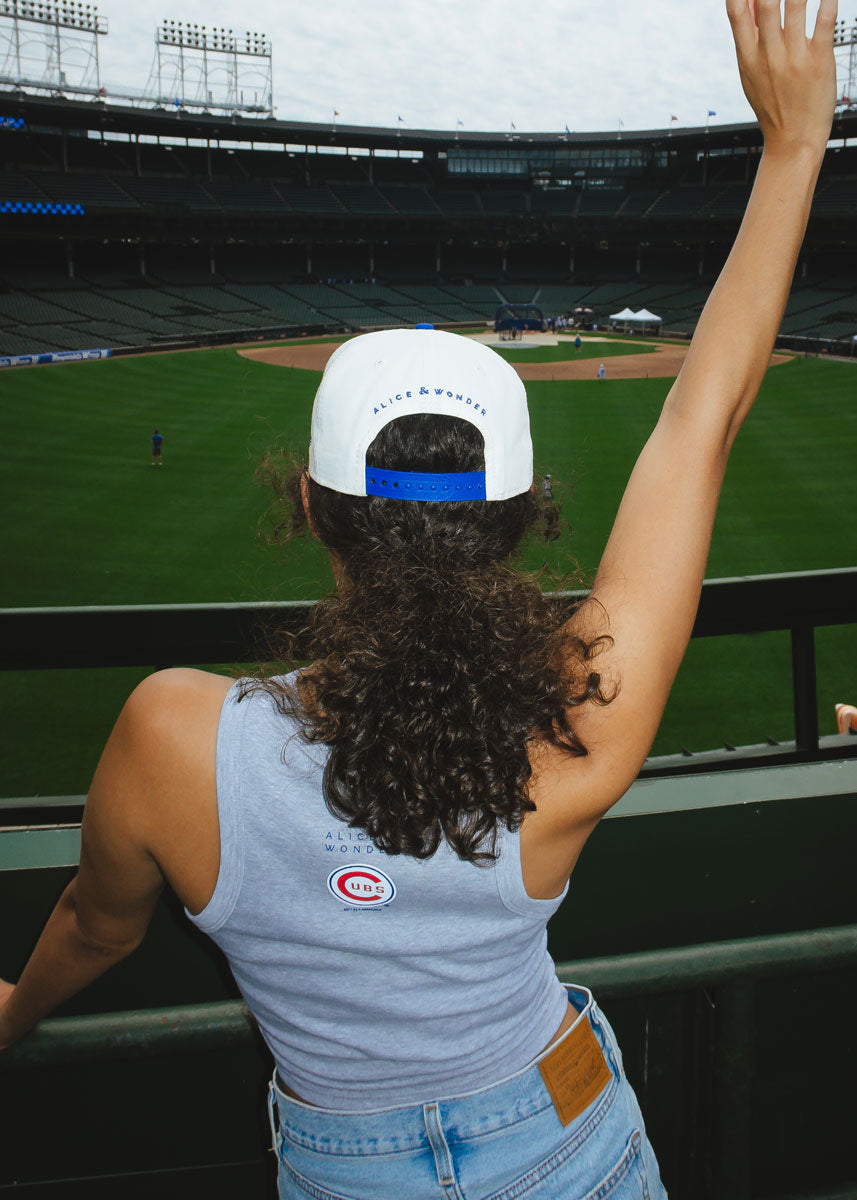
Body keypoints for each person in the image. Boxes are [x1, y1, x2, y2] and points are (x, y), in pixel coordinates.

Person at [0, 3, 837, 1196]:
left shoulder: (172, 739)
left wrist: (14, 1009)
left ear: (308, 501)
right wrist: (792, 147)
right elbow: (697, 424)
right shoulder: (571, 728)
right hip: (573, 1140)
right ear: (515, 515)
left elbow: (94, 926)